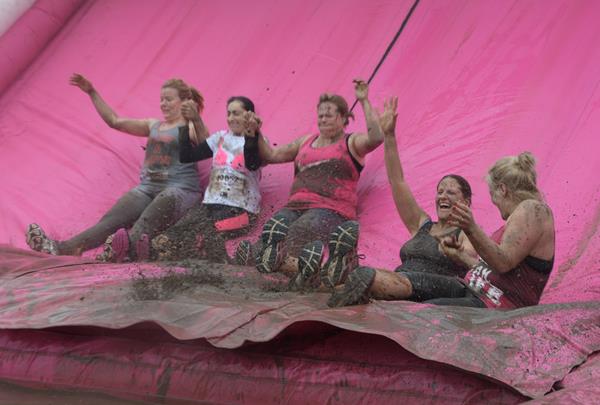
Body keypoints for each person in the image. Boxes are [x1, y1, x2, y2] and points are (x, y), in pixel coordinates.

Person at [329, 98, 555, 309]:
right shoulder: (424, 224)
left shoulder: (526, 211)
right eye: (439, 191)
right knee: (396, 293)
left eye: (451, 192)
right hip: (462, 289)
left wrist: (468, 229)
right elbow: (397, 182)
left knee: (417, 305)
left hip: (473, 297)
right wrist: (389, 137)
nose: (442, 196)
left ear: (501, 190)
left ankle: (356, 278)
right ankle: (333, 277)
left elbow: (502, 263)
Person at [26, 74, 204, 261]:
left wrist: (196, 119)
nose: (163, 104)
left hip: (179, 190)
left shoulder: (189, 127)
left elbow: (205, 143)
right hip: (147, 188)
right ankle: (62, 248)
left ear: (184, 101)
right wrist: (92, 92)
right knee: (109, 222)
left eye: (168, 99)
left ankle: (121, 251)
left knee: (145, 222)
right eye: (161, 100)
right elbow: (114, 121)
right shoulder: (153, 125)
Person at [239, 79, 383, 291]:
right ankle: (260, 263)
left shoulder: (351, 143)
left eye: (329, 114)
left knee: (302, 228)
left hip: (331, 210)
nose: (323, 119)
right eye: (320, 114)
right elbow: (271, 155)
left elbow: (376, 137)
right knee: (274, 228)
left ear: (343, 118)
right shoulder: (305, 142)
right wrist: (256, 132)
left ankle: (292, 276)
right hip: (296, 206)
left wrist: (364, 100)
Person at [150, 96, 263, 262]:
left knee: (204, 234)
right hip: (209, 206)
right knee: (172, 234)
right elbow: (187, 156)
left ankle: (223, 266)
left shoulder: (258, 141)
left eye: (236, 113)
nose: (231, 118)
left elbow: (253, 164)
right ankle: (156, 255)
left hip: (241, 212)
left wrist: (252, 135)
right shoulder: (220, 138)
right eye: (229, 113)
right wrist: (183, 124)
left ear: (249, 115)